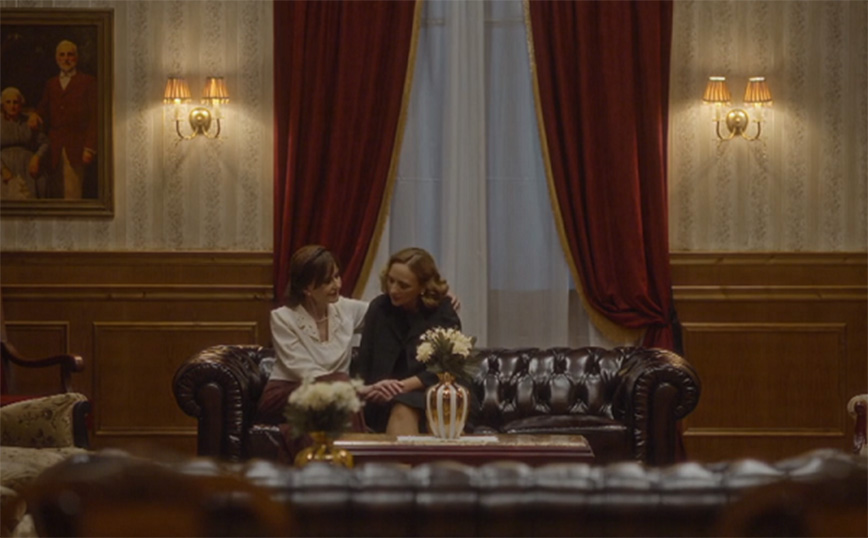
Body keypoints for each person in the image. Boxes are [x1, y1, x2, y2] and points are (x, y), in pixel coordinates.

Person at [256, 245, 369, 462]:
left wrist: (425, 293)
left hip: (334, 398)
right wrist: (351, 388)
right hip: (288, 394)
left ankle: (340, 468)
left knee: (339, 394)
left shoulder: (346, 309)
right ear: (307, 288)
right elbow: (303, 370)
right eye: (327, 281)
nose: (337, 285)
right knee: (342, 387)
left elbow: (382, 311)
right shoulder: (283, 318)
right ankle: (356, 466)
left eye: (337, 276)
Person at [352, 247, 461, 435]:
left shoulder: (442, 311)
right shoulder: (379, 308)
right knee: (401, 406)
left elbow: (448, 366)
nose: (393, 290)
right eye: (391, 280)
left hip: (433, 391)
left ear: (423, 287)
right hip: (384, 396)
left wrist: (401, 387)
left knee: (417, 407)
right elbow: (365, 364)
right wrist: (371, 390)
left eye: (403, 286)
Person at [28, 39, 98, 199]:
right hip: (53, 149)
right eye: (62, 55)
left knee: (72, 195)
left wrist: (90, 148)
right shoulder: (51, 83)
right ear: (56, 58)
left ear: (76, 58)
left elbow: (95, 117)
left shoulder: (88, 82)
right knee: (53, 194)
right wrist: (35, 114)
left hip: (77, 148)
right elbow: (43, 107)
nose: (66, 59)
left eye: (70, 55)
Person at [1, 87, 49, 199]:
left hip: (27, 165)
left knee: (40, 182)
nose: (12, 106)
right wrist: (2, 169)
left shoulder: (29, 121)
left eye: (15, 102)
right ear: (3, 105)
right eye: (8, 102)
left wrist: (36, 157)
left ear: (21, 105)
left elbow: (45, 142)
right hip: (4, 164)